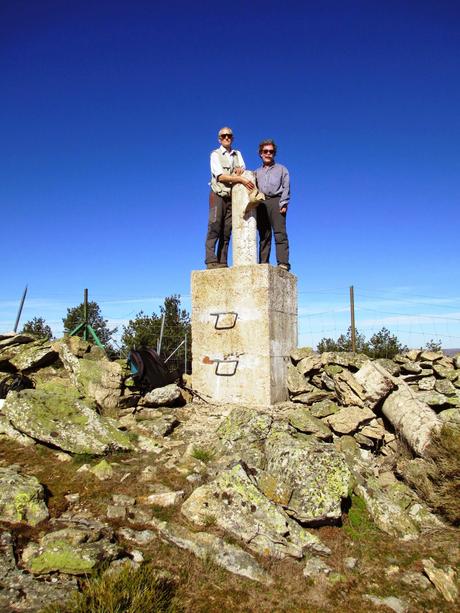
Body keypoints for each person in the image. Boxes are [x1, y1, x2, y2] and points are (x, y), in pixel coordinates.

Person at [205, 127, 255, 269]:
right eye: (224, 136)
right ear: (219, 139)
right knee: (215, 226)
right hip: (218, 194)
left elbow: (242, 168)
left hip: (231, 197)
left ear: (232, 138)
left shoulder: (237, 154)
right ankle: (210, 260)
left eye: (229, 136)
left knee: (227, 230)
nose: (227, 138)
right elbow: (220, 176)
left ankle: (222, 262)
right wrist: (240, 179)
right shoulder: (215, 154)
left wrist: (240, 172)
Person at [255, 139, 291, 271]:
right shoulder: (256, 172)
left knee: (280, 233)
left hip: (277, 201)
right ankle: (263, 263)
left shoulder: (282, 169)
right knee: (264, 234)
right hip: (261, 203)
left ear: (274, 153)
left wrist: (284, 202)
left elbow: (286, 187)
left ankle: (283, 263)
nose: (268, 154)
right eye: (265, 151)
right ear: (260, 153)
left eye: (271, 151)